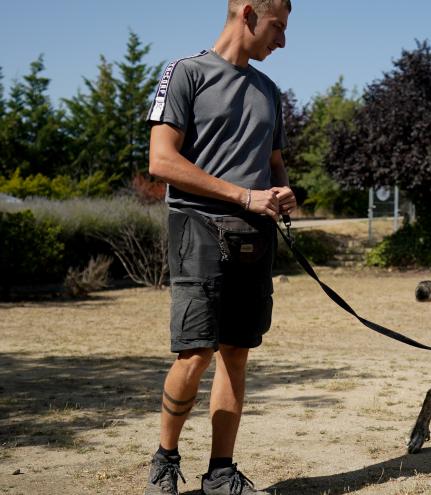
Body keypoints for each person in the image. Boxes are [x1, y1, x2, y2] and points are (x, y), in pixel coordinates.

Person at [143, 1, 294, 494]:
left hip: (255, 235)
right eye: (278, 27)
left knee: (236, 353)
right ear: (248, 13)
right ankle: (165, 460)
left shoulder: (270, 91)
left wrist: (283, 191)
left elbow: (274, 165)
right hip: (198, 227)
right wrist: (241, 194)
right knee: (195, 352)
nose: (282, 41)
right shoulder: (185, 73)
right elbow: (161, 161)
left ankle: (220, 472)